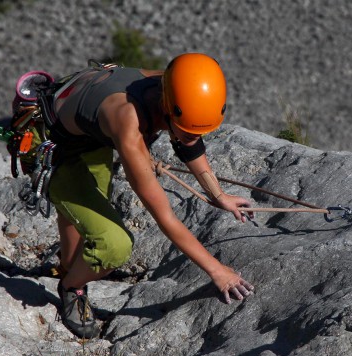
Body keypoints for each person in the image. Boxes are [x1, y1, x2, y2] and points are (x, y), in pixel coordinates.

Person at [44, 52, 255, 338]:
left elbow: (189, 142)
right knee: (114, 245)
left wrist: (218, 194)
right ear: (168, 109)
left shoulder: (173, 83)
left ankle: (69, 267)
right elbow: (164, 217)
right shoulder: (128, 127)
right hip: (57, 149)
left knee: (85, 218)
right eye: (186, 130)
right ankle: (71, 287)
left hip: (86, 131)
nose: (193, 137)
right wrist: (217, 271)